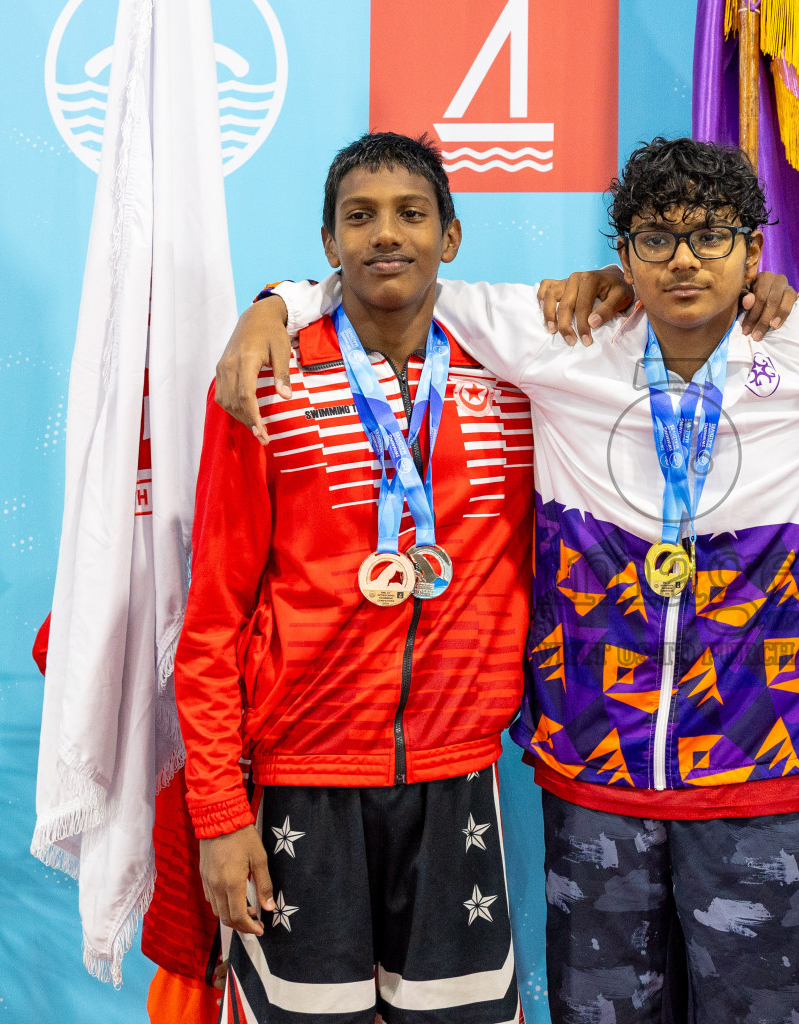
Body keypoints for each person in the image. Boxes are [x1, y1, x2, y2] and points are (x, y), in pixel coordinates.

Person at [221, 136, 799, 1024]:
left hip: (770, 782)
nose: (684, 260)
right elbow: (392, 281)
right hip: (596, 780)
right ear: (624, 254)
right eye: (656, 238)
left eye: (712, 236)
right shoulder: (561, 337)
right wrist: (275, 305)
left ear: (754, 250)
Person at [175, 132, 534, 1023]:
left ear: (450, 236)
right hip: (303, 781)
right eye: (360, 216)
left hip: (457, 780)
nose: (387, 235)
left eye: (412, 214)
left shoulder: (517, 373)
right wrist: (218, 812)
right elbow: (214, 612)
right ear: (328, 242)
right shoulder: (265, 380)